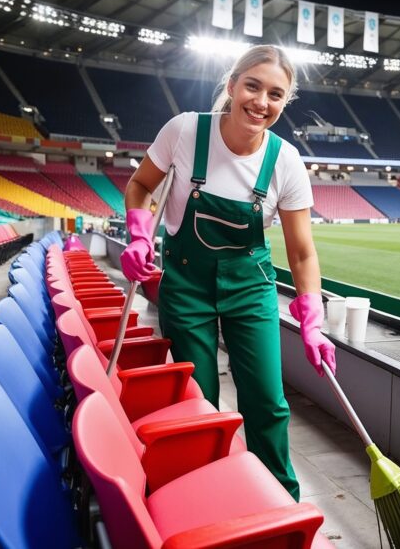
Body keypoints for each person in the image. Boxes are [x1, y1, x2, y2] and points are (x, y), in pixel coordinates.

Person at [120, 45, 335, 501]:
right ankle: (204, 496)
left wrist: (312, 319)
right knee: (197, 399)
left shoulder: (285, 160)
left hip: (251, 287)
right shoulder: (185, 131)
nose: (261, 102)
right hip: (186, 282)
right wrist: (140, 234)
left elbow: (301, 252)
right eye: (253, 86)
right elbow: (140, 186)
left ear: (285, 102)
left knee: (267, 404)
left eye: (276, 94)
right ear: (232, 84)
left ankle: (279, 504)